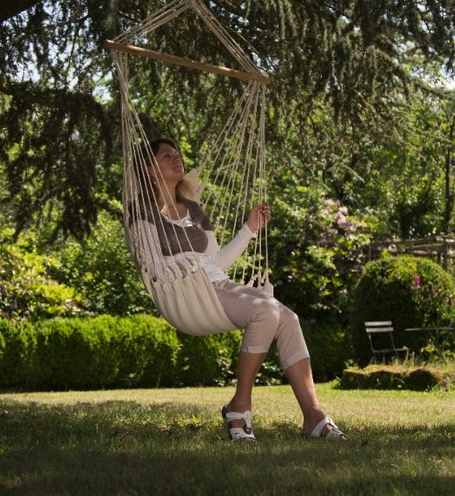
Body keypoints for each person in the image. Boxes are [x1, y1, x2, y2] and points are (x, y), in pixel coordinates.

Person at [129, 137, 347, 442]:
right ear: (150, 170)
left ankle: (313, 415)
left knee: (288, 318)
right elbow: (150, 262)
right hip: (188, 291)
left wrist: (249, 229)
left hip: (219, 284)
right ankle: (239, 406)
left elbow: (217, 260)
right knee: (265, 311)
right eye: (166, 156)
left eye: (177, 154)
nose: (176, 159)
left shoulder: (193, 209)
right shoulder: (142, 211)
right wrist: (182, 271)